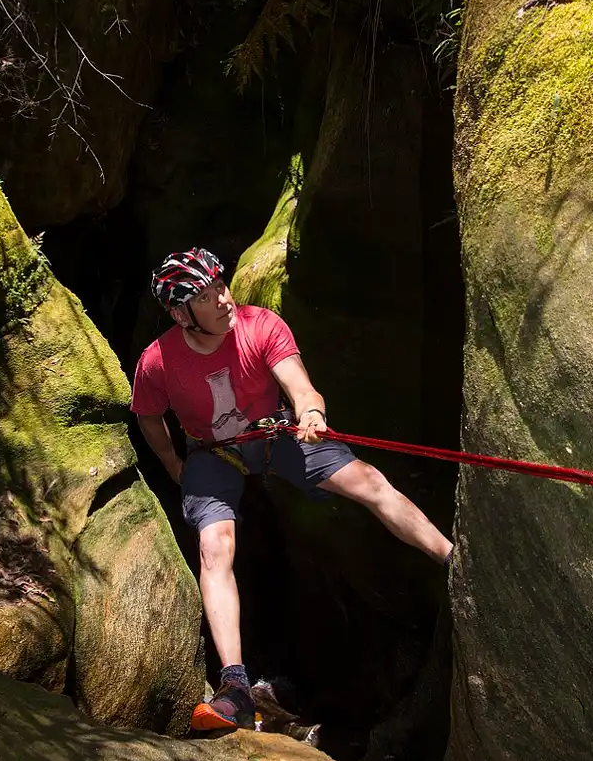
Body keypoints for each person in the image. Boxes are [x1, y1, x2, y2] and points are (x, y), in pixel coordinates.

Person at [131, 248, 453, 732]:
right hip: (212, 454)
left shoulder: (260, 326)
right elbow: (149, 417)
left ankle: (453, 560)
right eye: (207, 294)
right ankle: (235, 687)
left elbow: (300, 385)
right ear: (181, 313)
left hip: (276, 434)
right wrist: (173, 462)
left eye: (222, 285)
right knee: (215, 545)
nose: (223, 299)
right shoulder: (158, 362)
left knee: (368, 480)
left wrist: (311, 413)